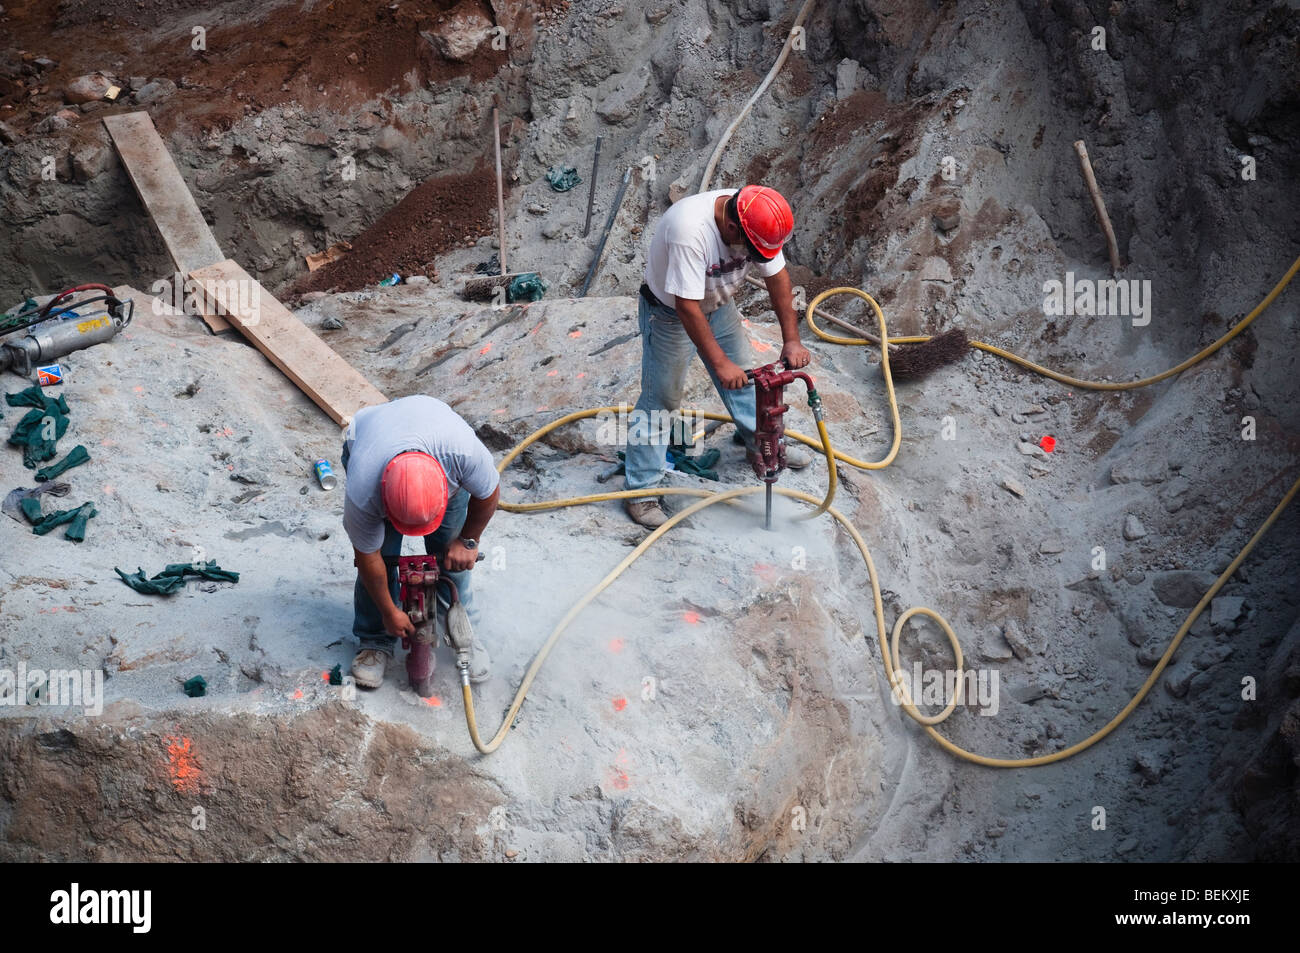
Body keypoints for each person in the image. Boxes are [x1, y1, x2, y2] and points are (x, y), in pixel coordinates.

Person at [623, 184, 813, 528]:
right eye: (751, 252)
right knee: (661, 400)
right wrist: (719, 362)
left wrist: (792, 340)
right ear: (730, 228)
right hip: (668, 313)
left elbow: (779, 279)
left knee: (746, 381)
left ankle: (759, 442)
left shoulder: (758, 214)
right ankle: (640, 489)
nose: (754, 260)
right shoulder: (689, 232)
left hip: (719, 306)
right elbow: (686, 307)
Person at [340, 395, 500, 689]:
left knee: (452, 557)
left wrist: (467, 542)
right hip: (371, 439)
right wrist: (390, 612)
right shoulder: (363, 489)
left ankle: (463, 635)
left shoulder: (462, 455)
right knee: (382, 559)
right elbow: (368, 558)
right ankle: (375, 639)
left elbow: (488, 493)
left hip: (435, 447)